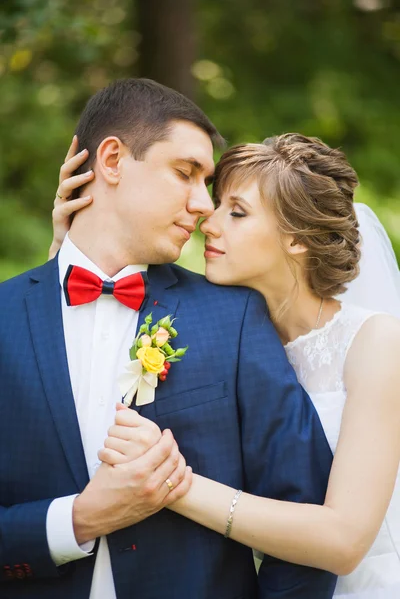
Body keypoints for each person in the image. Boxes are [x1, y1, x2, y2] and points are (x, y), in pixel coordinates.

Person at [0, 79, 336, 599]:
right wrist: (77, 520)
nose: (204, 205)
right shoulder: (7, 318)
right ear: (111, 160)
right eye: (185, 173)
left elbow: (307, 522)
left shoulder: (236, 317)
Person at [54, 132, 400, 599]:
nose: (207, 223)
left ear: (296, 238)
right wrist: (65, 251)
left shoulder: (376, 342)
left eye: (236, 212)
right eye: (217, 206)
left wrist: (172, 483)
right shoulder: (212, 329)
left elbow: (343, 542)